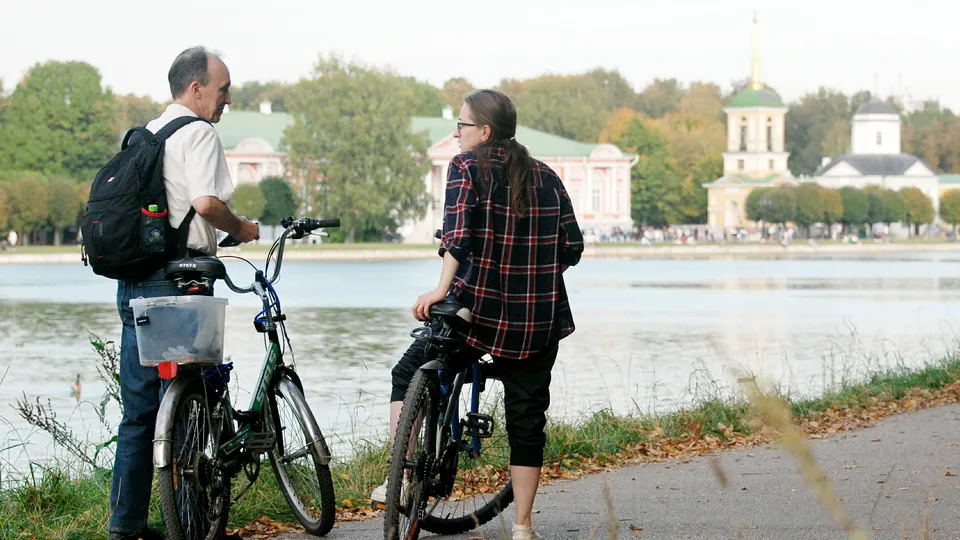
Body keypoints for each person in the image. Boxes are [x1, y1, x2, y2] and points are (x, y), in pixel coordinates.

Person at [371, 89, 583, 540]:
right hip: (537, 320)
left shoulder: (465, 167)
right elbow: (572, 248)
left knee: (408, 372)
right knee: (527, 419)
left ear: (484, 131)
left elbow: (458, 237)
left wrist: (441, 289)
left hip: (476, 313)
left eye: (462, 125)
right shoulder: (546, 175)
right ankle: (523, 527)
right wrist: (534, 276)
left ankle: (401, 479)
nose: (456, 132)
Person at [107, 46, 259, 540]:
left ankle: (124, 527)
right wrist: (242, 227)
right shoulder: (198, 132)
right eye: (223, 89)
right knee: (196, 400)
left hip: (134, 282)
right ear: (196, 88)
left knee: (138, 413)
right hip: (179, 282)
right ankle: (193, 525)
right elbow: (205, 203)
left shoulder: (146, 133)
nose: (227, 99)